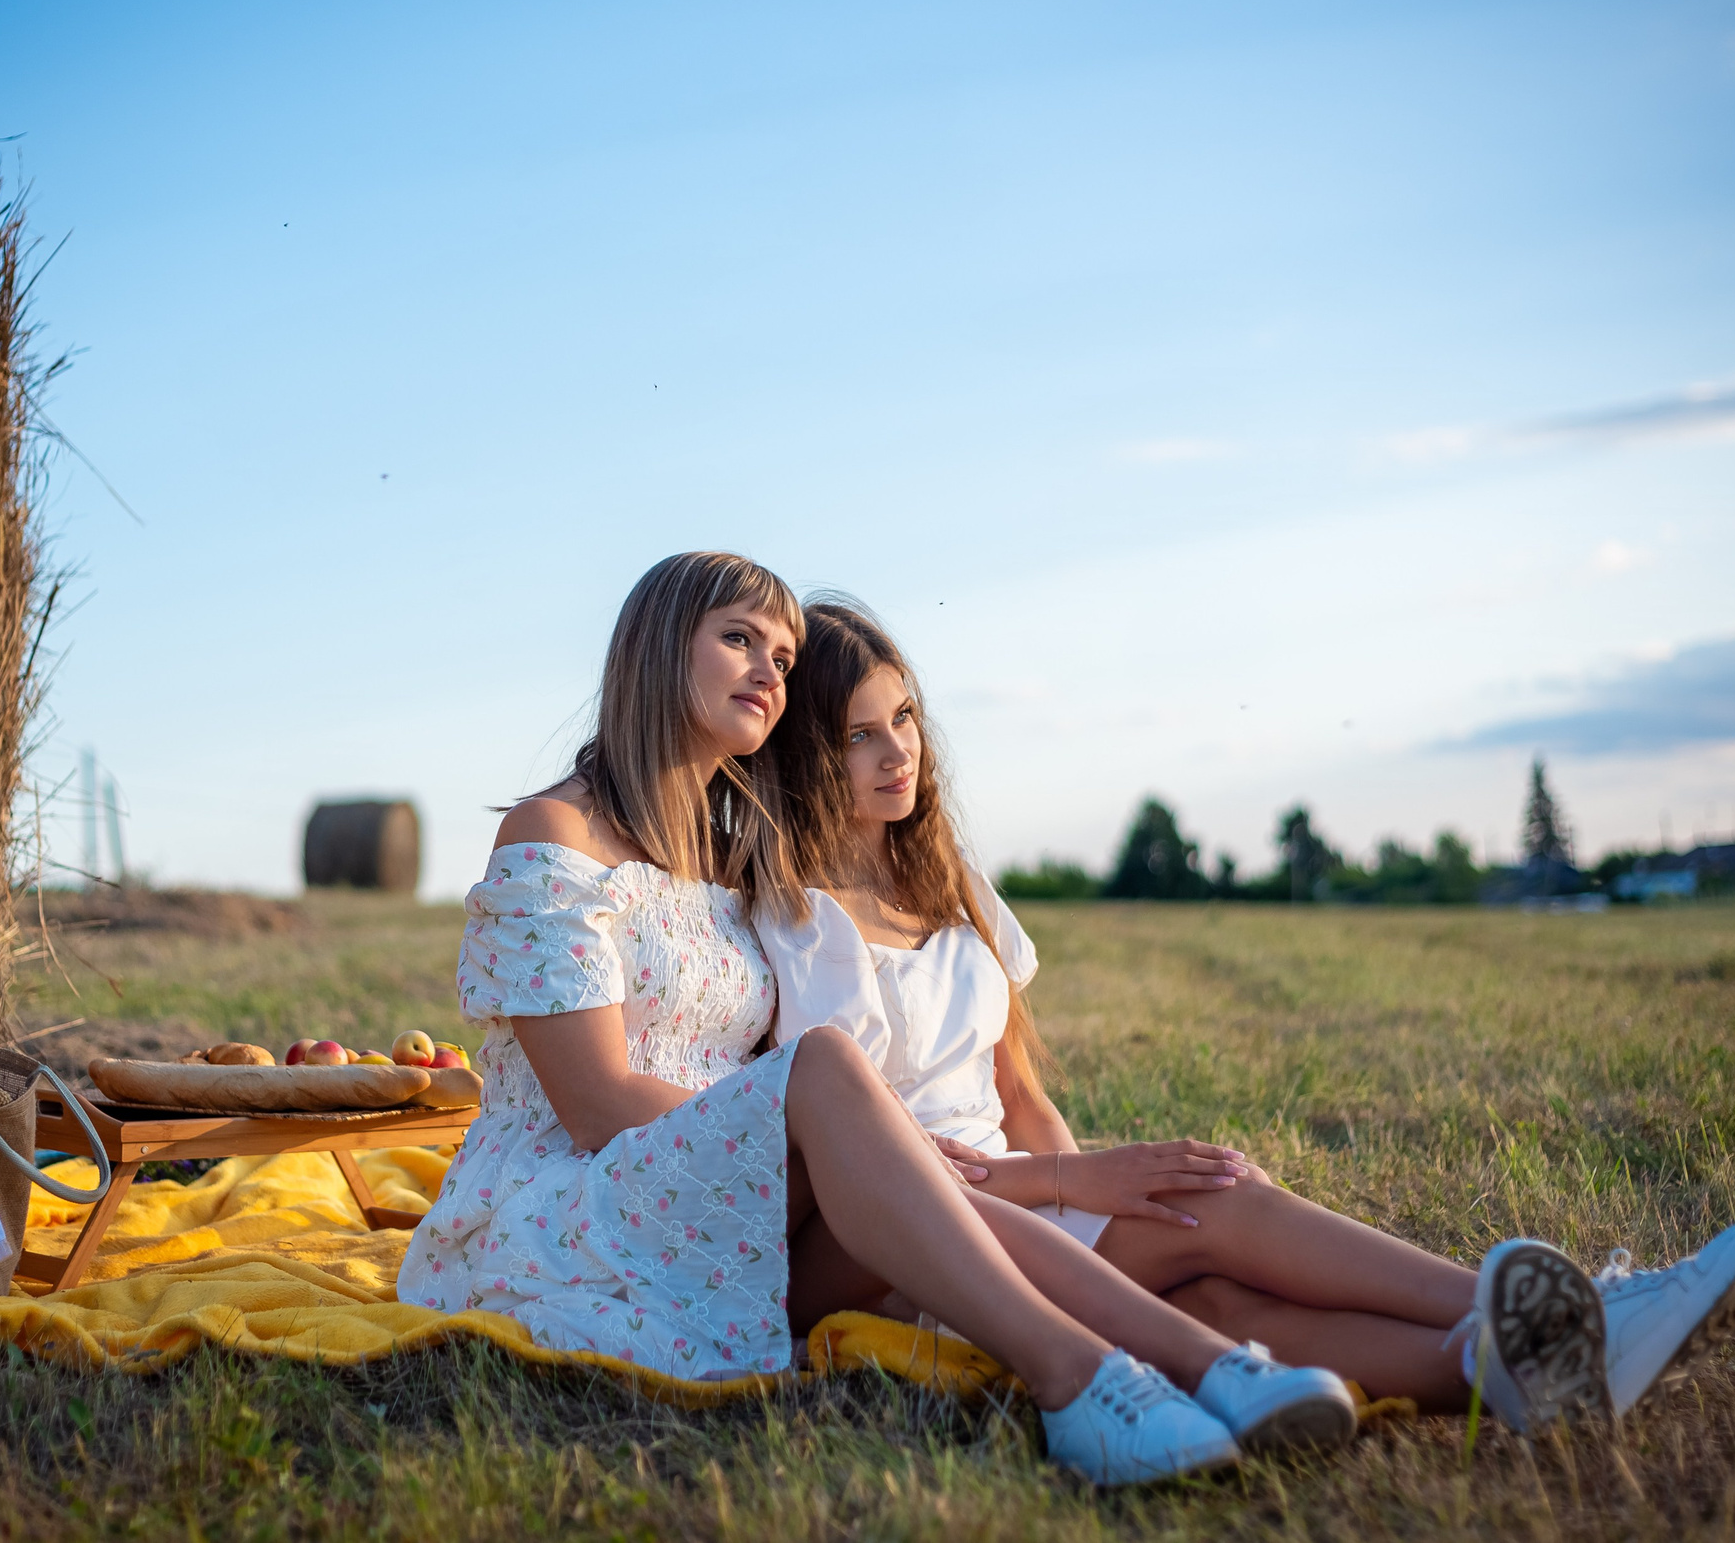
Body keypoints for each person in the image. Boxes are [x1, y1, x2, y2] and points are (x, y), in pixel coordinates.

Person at [402, 552, 1485, 1486]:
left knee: (1050, 1201)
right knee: (831, 1073)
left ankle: (1227, 1363)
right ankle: (1080, 1380)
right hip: (583, 1210)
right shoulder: (554, 833)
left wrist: (855, 1146)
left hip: (734, 1194)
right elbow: (595, 1105)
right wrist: (813, 1126)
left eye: (783, 655)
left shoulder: (719, 853)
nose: (771, 671)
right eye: (741, 640)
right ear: (655, 651)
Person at [754, 595, 1735, 1421]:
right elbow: (845, 1162)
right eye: (857, 735)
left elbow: (1016, 1092)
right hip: (907, 1246)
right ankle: (1574, 1308)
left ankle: (1488, 1362)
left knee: (1216, 1296)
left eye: (904, 721)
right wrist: (1076, 1182)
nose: (897, 753)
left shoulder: (954, 886)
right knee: (1212, 1203)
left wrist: (1087, 1194)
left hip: (1029, 1196)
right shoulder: (782, 923)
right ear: (802, 753)